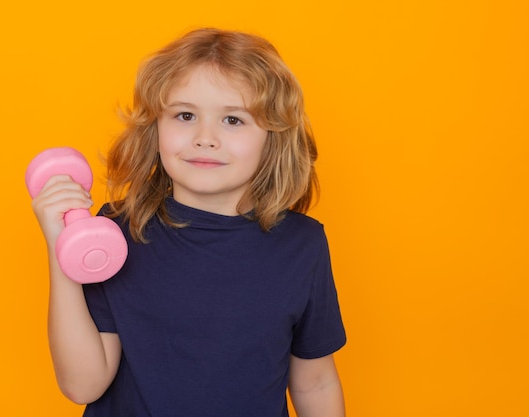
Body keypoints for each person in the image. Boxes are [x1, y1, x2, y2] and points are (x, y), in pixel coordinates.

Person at [32, 27, 347, 417]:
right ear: (156, 129)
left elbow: (315, 381)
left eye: (233, 120)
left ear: (272, 137)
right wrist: (61, 245)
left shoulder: (304, 245)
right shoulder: (116, 232)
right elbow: (83, 384)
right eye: (185, 115)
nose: (205, 137)